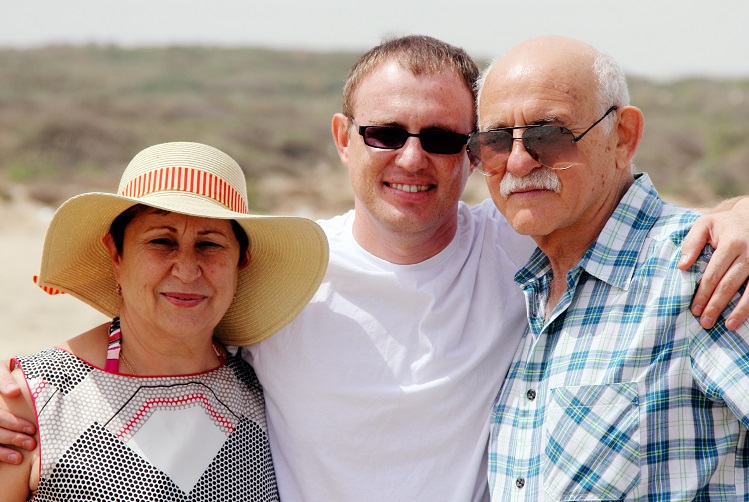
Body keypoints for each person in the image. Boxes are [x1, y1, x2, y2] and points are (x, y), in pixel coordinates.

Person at [2, 36, 749, 501]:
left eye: (445, 137)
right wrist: (31, 390)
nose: (412, 158)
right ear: (342, 138)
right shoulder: (281, 283)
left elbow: (620, 219)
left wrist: (735, 211)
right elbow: (159, 324)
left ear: (470, 151)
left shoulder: (527, 249)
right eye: (385, 132)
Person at [468, 35, 749, 500]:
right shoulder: (527, 291)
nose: (518, 160)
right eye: (496, 141)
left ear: (623, 136)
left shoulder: (700, 272)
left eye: (548, 135)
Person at [0, 141, 328, 501]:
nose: (187, 271)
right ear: (116, 253)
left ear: (241, 261)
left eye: (210, 244)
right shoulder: (29, 404)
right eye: (161, 241)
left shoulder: (270, 395)